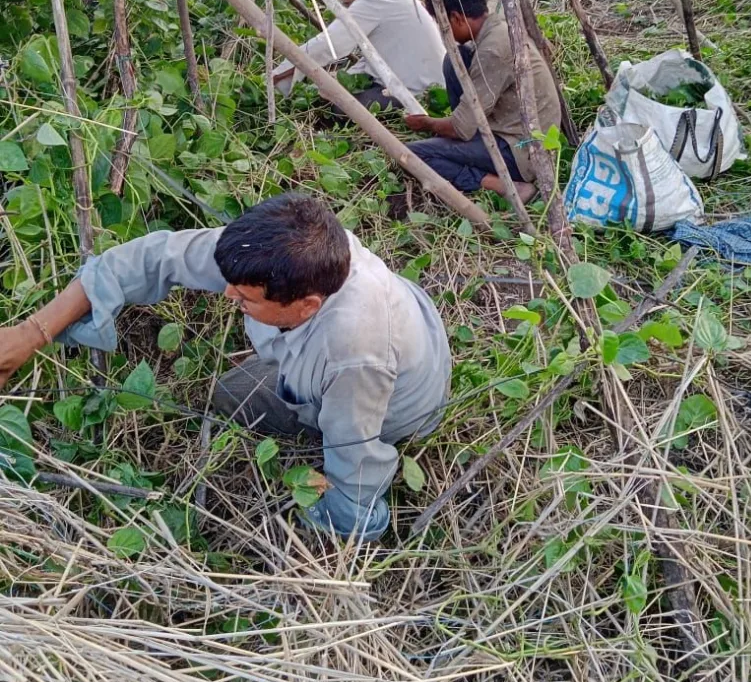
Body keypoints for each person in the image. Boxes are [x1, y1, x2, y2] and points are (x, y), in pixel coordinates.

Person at [0, 194, 450, 541]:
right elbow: (152, 258)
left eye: (246, 298)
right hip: (408, 337)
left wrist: (338, 522)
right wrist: (31, 334)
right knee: (238, 389)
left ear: (306, 305)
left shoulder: (353, 353)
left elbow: (358, 454)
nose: (229, 298)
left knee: (234, 396)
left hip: (404, 403)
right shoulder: (283, 253)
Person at [403, 0, 561, 204]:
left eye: (441, 22)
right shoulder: (497, 29)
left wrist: (427, 124)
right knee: (453, 61)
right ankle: (471, 143)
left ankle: (505, 185)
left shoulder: (492, 50)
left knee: (413, 155)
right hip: (517, 131)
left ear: (456, 18)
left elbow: (459, 128)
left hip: (522, 151)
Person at [273, 0, 445, 111]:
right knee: (332, 91)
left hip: (417, 94)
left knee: (338, 107)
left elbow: (329, 44)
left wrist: (278, 74)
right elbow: (376, 56)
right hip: (433, 86)